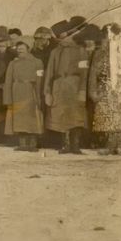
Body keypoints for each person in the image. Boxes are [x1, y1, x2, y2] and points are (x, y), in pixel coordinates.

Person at [44, 19, 89, 154]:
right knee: (60, 115)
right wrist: (47, 92)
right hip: (59, 87)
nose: (59, 39)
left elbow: (84, 73)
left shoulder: (81, 51)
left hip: (74, 87)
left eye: (61, 36)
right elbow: (49, 72)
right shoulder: (55, 52)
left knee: (76, 115)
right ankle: (65, 145)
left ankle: (75, 145)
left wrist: (82, 90)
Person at [89, 24, 121, 155]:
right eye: (106, 36)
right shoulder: (99, 54)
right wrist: (93, 91)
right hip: (104, 87)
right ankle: (109, 144)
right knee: (106, 117)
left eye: (114, 36)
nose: (109, 39)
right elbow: (93, 74)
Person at [4, 37, 44, 152]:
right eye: (18, 48)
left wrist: (38, 95)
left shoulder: (37, 62)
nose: (19, 50)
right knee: (19, 117)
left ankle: (32, 143)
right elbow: (8, 81)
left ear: (28, 48)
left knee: (32, 116)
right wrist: (7, 98)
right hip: (16, 92)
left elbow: (40, 80)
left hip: (31, 91)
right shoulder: (13, 63)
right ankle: (22, 143)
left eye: (22, 48)